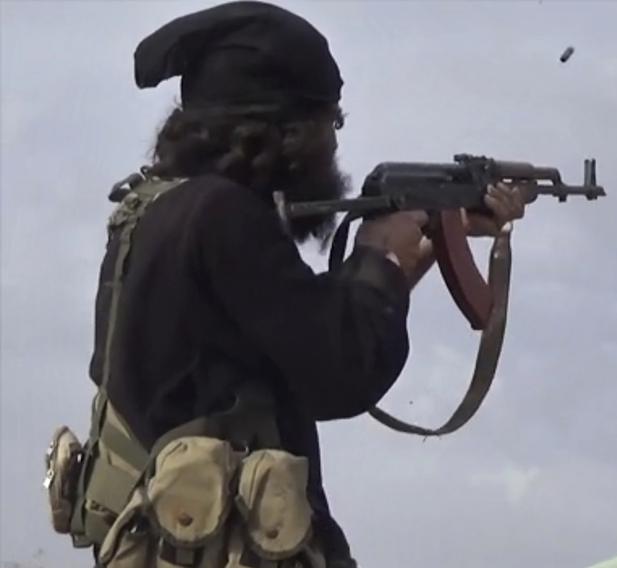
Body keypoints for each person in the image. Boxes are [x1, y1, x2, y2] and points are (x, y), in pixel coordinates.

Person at [48, 1, 526, 567]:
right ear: (280, 131)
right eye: (329, 124)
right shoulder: (224, 216)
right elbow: (338, 370)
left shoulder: (154, 211)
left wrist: (405, 262)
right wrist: (381, 262)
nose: (332, 144)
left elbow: (288, 341)